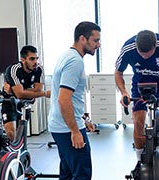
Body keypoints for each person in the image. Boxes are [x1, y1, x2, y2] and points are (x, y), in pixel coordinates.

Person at [115, 30, 159, 178]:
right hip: (140, 84)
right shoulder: (128, 48)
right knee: (138, 123)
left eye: (148, 53)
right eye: (141, 53)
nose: (145, 56)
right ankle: (140, 161)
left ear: (155, 45)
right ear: (136, 46)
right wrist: (124, 92)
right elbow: (118, 72)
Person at [47, 21, 99, 180]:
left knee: (68, 173)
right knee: (81, 174)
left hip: (60, 126)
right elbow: (63, 100)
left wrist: (83, 119)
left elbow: (71, 97)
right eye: (95, 40)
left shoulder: (67, 55)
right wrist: (75, 131)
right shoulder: (75, 62)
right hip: (67, 128)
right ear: (83, 39)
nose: (98, 44)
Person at [2, 45, 50, 142]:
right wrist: (44, 93)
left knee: (21, 135)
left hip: (25, 103)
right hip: (9, 102)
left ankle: (21, 154)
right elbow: (20, 94)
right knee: (11, 133)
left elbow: (37, 90)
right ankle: (12, 153)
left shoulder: (39, 69)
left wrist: (20, 90)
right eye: (32, 59)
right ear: (23, 60)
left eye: (36, 58)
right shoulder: (14, 69)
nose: (35, 62)